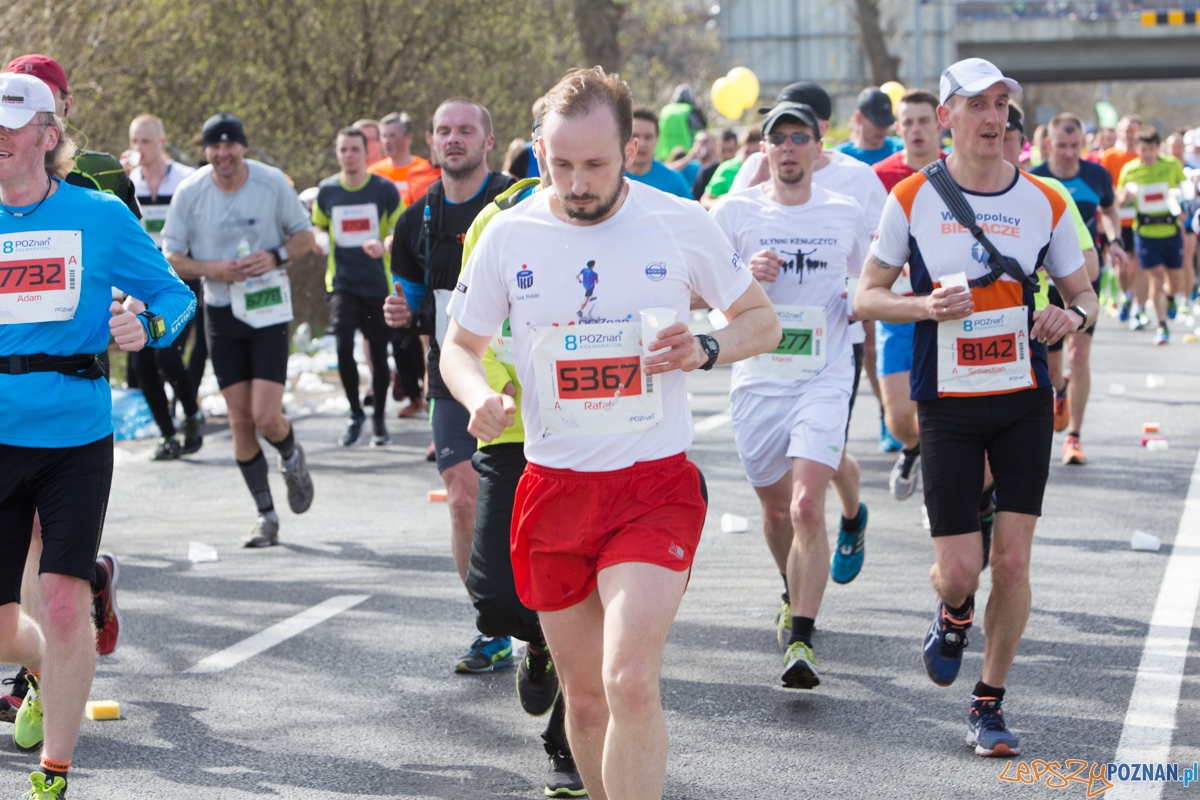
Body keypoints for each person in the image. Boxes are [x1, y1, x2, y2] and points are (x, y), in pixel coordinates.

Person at [439, 65, 778, 800]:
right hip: (554, 488)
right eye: (560, 165)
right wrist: (476, 399)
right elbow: (458, 348)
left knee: (628, 679)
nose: (577, 182)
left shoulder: (678, 219)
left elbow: (762, 320)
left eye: (595, 164)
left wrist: (708, 346)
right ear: (537, 153)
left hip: (650, 487)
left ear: (629, 149)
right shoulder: (509, 232)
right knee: (585, 700)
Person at [856, 57, 1097, 758]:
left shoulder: (1046, 200)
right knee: (961, 567)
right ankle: (954, 609)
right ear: (949, 118)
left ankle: (988, 703)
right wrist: (922, 305)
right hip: (950, 403)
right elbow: (866, 296)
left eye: (1004, 106)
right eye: (980, 105)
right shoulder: (911, 197)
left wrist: (1069, 320)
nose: (996, 118)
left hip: (1023, 398)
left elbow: (1084, 296)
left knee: (1015, 563)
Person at [0, 71, 196, 799]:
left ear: (48, 136)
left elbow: (175, 299)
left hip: (74, 434)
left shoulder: (100, 215)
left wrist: (143, 327)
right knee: (7, 623)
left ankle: (53, 771)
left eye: (12, 125)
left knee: (59, 594)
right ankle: (45, 667)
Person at [438, 112, 584, 794]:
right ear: (537, 148)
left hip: (591, 434)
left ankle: (567, 735)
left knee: (582, 586)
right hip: (510, 429)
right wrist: (479, 396)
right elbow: (466, 331)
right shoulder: (499, 220)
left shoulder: (630, 215)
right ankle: (538, 639)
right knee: (495, 599)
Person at [713, 102, 869, 690]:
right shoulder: (734, 212)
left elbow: (870, 280)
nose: (787, 148)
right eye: (776, 139)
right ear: (764, 149)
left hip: (823, 374)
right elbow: (703, 295)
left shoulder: (845, 211)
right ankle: (791, 587)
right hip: (758, 378)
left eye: (797, 137)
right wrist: (743, 278)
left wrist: (858, 298)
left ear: (816, 146)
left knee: (807, 504)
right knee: (776, 511)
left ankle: (802, 635)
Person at [386, 97, 515, 672]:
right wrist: (398, 313)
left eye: (466, 130)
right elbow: (415, 307)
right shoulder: (415, 220)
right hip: (454, 376)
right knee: (464, 500)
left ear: (489, 141)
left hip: (525, 377)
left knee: (524, 500)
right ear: (432, 143)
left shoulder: (520, 203)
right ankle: (492, 628)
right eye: (444, 131)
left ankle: (539, 619)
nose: (454, 139)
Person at [162, 113, 316, 548]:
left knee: (267, 416)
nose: (223, 154)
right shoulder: (191, 192)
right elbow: (171, 253)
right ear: (206, 151)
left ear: (243, 147)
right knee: (240, 420)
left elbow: (305, 236)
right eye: (215, 147)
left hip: (267, 308)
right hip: (221, 310)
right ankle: (266, 516)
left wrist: (274, 256)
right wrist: (212, 269)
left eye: (231, 146)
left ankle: (290, 454)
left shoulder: (270, 183)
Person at [1032, 112, 1126, 464]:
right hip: (1047, 283)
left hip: (1084, 276)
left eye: (1074, 146)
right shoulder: (1036, 179)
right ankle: (1061, 391)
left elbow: (1111, 211)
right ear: (1048, 144)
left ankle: (1074, 437)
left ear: (1082, 144)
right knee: (1055, 368)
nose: (1068, 153)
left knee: (1080, 355)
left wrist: (1116, 242)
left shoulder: (1096, 175)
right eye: (1061, 146)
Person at [872, 89, 944, 500]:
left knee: (943, 418)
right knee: (899, 419)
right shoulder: (878, 176)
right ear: (898, 129)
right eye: (908, 123)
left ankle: (939, 492)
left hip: (948, 311)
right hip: (898, 309)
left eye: (924, 121)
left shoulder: (959, 172)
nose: (916, 130)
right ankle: (913, 449)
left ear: (939, 124)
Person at [313, 127, 402, 446]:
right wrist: (321, 241)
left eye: (354, 149)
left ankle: (378, 418)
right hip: (341, 283)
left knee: (378, 355)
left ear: (366, 152)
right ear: (337, 153)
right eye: (343, 149)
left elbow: (401, 232)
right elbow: (319, 226)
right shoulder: (328, 191)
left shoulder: (383, 189)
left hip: (377, 283)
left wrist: (383, 244)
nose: (348, 155)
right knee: (341, 346)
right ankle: (355, 413)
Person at [126, 114, 204, 461]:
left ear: (161, 142)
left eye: (146, 141)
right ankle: (167, 434)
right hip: (141, 280)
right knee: (143, 363)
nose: (139, 148)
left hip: (179, 279)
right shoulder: (128, 182)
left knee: (166, 353)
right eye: (134, 141)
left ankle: (191, 413)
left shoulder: (187, 180)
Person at [367, 112, 428, 417]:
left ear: (408, 137)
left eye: (392, 135)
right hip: (383, 265)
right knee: (395, 333)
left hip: (419, 261)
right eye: (383, 136)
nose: (387, 141)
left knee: (422, 329)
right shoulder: (374, 173)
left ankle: (429, 391)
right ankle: (413, 393)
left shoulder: (425, 170)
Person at [1118, 128, 1187, 345]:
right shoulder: (1130, 170)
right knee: (1156, 277)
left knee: (1174, 281)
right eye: (1142, 149)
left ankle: (1171, 298)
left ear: (1159, 148)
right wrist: (1125, 198)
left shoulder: (1172, 165)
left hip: (1170, 230)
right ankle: (1162, 326)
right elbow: (1119, 202)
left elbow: (1185, 189)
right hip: (1146, 232)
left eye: (1151, 149)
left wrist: (1181, 198)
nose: (1146, 154)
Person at [1102, 115, 1144, 323]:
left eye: (1134, 131)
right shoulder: (1110, 157)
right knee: (1123, 266)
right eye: (1127, 130)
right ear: (1119, 132)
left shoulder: (1144, 155)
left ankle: (1138, 305)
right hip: (1119, 219)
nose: (1130, 135)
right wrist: (1118, 197)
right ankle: (1126, 295)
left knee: (1139, 265)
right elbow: (1105, 188)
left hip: (1141, 219)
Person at [626, 107, 693, 199]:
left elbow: (692, 212)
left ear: (657, 139)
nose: (641, 144)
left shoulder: (674, 180)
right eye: (635, 136)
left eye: (648, 137)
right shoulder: (609, 177)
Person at [834, 87, 902, 166]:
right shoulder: (839, 157)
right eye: (878, 123)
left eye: (886, 122)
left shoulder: (901, 150)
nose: (883, 128)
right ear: (858, 117)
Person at [655, 84, 706, 161]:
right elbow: (702, 125)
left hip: (663, 156)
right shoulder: (689, 110)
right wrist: (698, 109)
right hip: (685, 156)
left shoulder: (665, 110)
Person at [401, 117, 442, 207]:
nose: (451, 139)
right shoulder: (413, 174)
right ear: (428, 137)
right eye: (443, 132)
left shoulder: (467, 173)